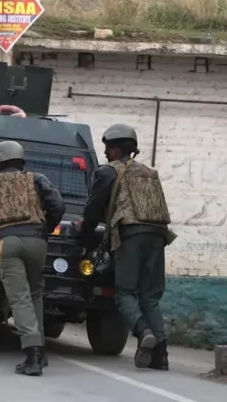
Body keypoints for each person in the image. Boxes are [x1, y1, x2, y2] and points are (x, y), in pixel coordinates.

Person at [77, 123, 175, 370]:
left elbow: (93, 209)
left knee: (125, 293)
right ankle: (161, 357)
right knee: (150, 296)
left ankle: (143, 333)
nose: (106, 153)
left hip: (130, 235)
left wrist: (85, 234)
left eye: (108, 149)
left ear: (116, 149)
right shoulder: (149, 173)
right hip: (158, 235)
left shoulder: (107, 172)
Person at [0, 141, 65, 376]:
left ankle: (32, 356)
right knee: (35, 294)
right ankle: (40, 351)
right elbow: (58, 206)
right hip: (37, 241)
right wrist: (46, 228)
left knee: (19, 297)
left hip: (6, 243)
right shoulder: (37, 179)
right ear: (20, 160)